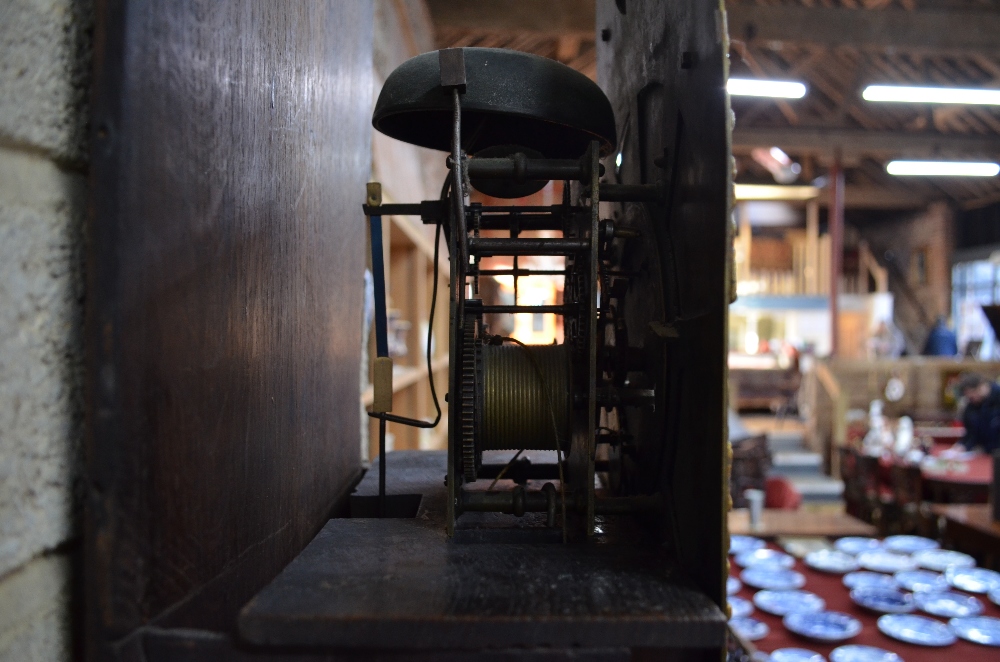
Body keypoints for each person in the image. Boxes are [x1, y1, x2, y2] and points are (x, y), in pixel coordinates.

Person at [956, 373, 1000, 454]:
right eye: (968, 396)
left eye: (972, 394)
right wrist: (962, 445)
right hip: (984, 453)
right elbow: (970, 432)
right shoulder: (971, 406)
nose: (971, 398)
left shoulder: (997, 397)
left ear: (981, 387)